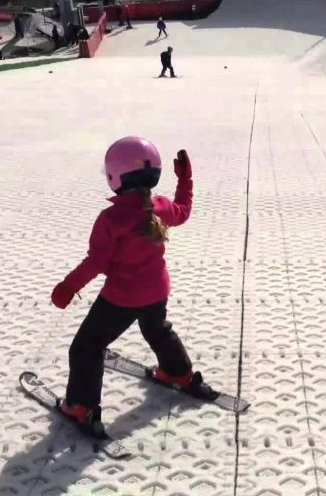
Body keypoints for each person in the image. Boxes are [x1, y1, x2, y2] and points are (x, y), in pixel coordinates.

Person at [51, 138, 214, 432]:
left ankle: (81, 406)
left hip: (122, 298)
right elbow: (184, 210)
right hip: (157, 291)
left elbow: (96, 262)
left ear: (116, 177)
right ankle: (178, 373)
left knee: (87, 347)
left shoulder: (111, 219)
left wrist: (67, 287)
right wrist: (185, 180)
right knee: (157, 329)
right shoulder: (160, 206)